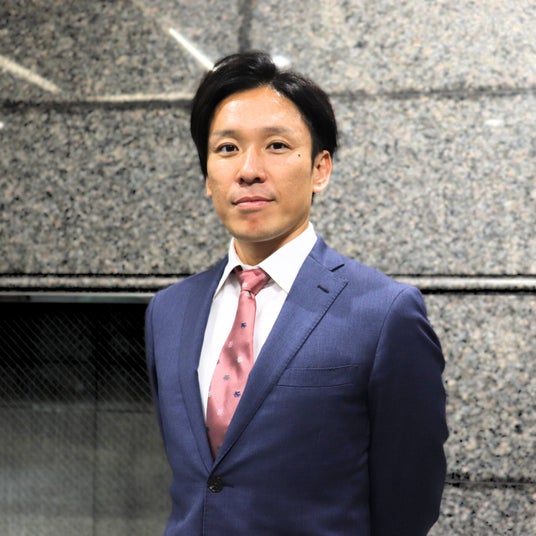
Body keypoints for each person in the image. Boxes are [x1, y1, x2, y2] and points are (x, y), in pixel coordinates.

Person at [145, 51, 448, 535]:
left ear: (320, 169)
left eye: (277, 146)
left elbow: (408, 501)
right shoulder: (168, 310)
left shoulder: (383, 313)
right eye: (227, 148)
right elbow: (200, 479)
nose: (248, 170)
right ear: (207, 176)